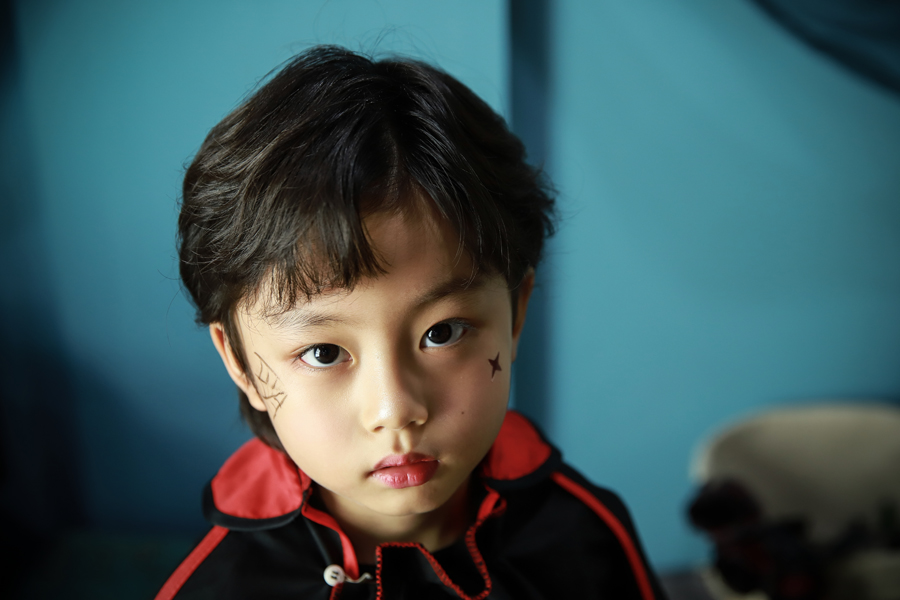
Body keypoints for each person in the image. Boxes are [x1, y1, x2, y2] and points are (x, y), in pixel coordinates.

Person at [156, 45, 666, 600]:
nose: (396, 409)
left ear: (517, 312)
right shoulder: (217, 585)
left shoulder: (583, 541)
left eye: (441, 333)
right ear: (240, 362)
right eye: (324, 352)